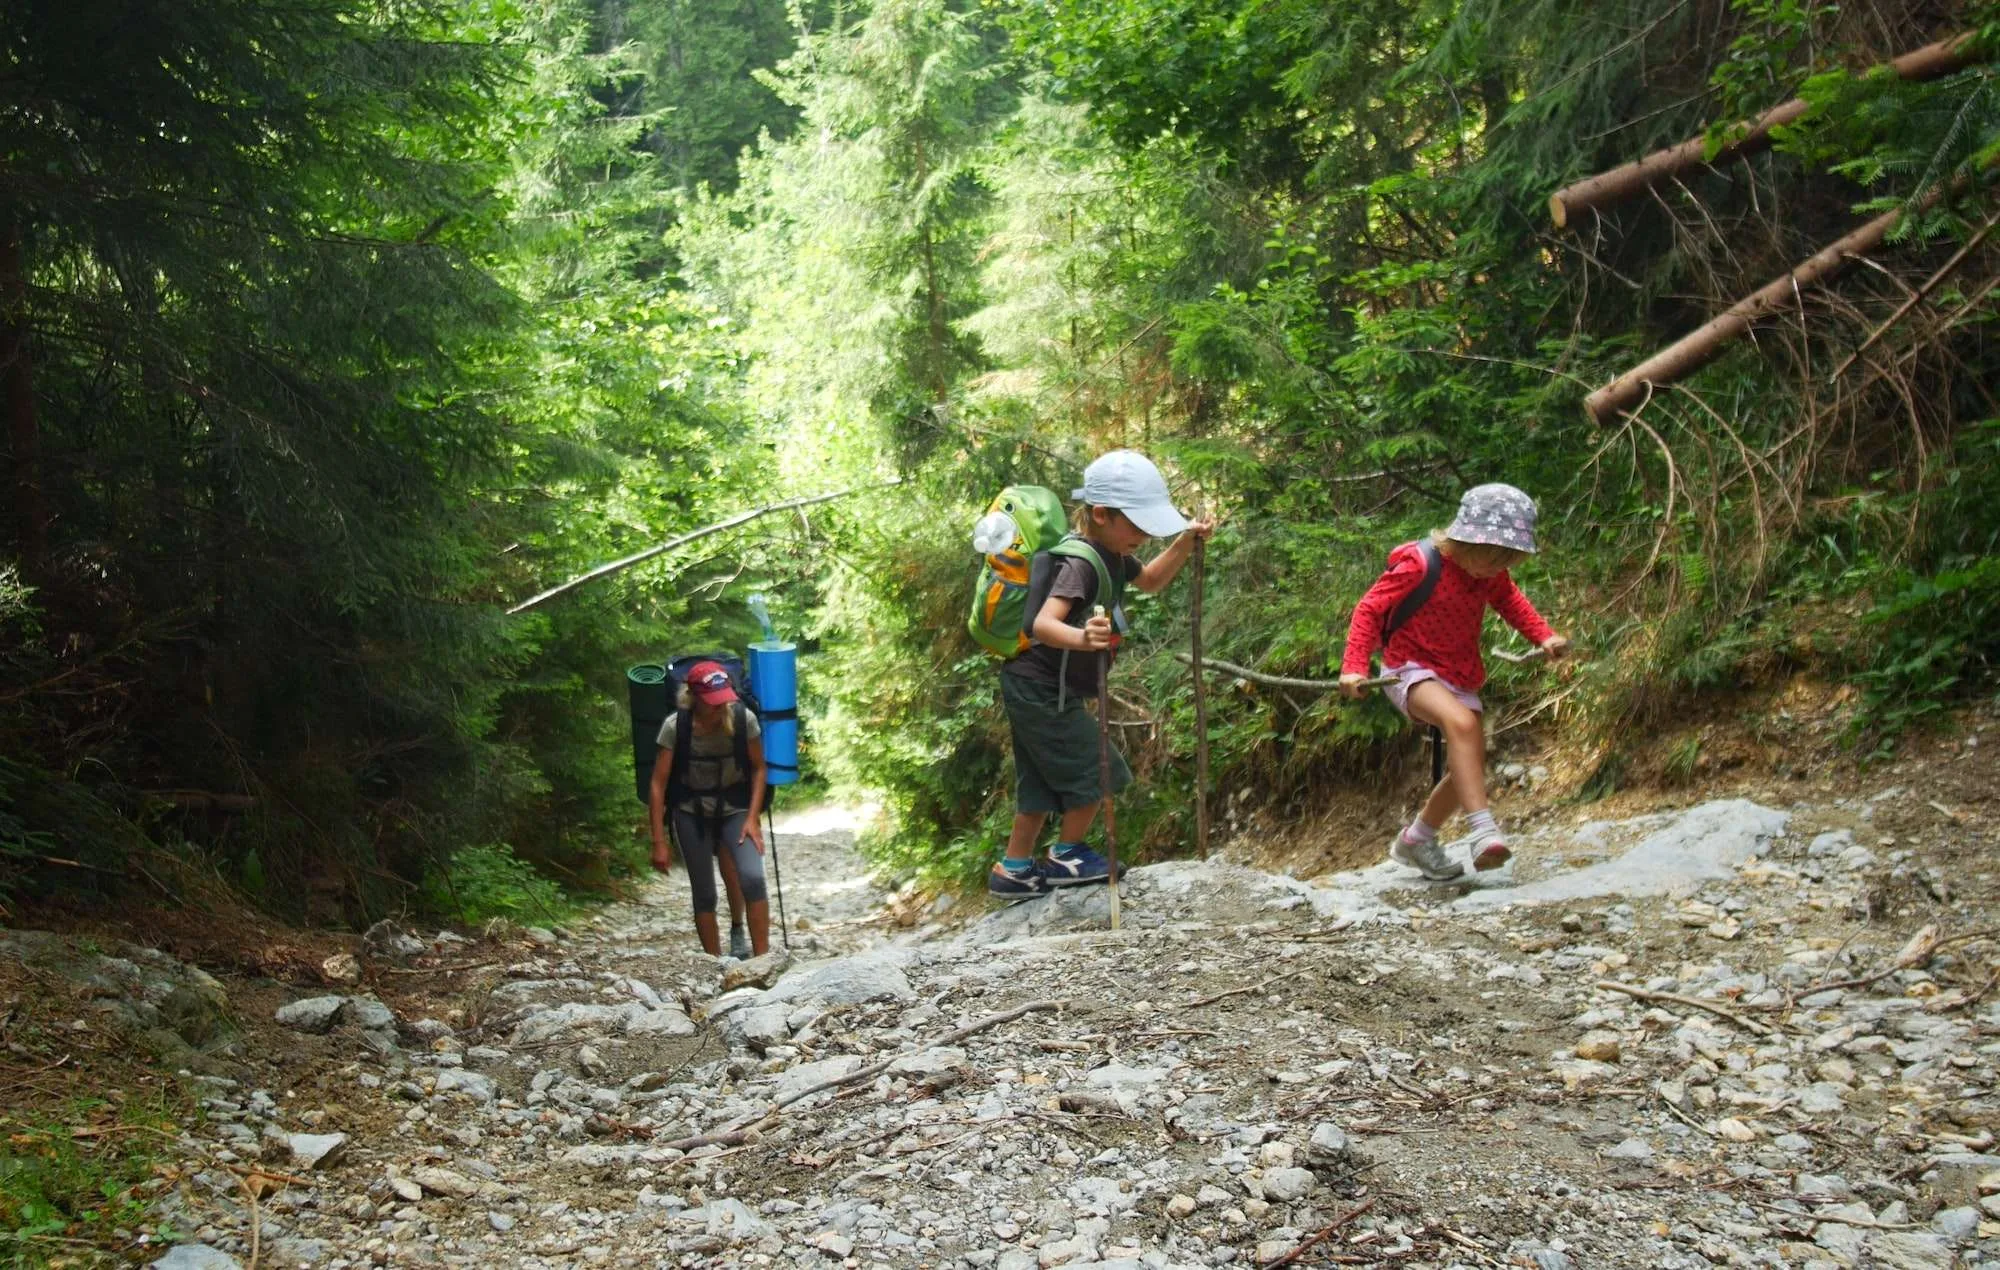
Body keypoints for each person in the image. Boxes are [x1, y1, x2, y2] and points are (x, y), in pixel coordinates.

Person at [990, 451, 1216, 899]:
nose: (1145, 535)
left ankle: (1013, 869)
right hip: (1040, 687)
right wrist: (1083, 637)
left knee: (1038, 779)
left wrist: (1185, 542)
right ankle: (1067, 853)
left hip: (1035, 686)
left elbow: (1150, 580)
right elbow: (1043, 625)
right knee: (1102, 767)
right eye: (1136, 525)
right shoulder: (1080, 563)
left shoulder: (1112, 554)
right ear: (1100, 514)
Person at [1338, 484, 1569, 880]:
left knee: (1469, 766)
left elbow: (1510, 601)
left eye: (1507, 561)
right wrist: (1354, 665)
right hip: (1407, 669)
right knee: (1461, 725)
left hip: (1457, 673)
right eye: (1492, 558)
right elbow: (1369, 609)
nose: (1497, 569)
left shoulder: (1490, 576)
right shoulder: (1419, 564)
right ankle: (1483, 831)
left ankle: (1416, 839)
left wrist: (1543, 636)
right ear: (1465, 539)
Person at [647, 660, 772, 957]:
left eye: (722, 700)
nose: (719, 707)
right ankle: (716, 967)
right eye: (712, 702)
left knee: (752, 877)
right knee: (704, 894)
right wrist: (659, 842)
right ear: (693, 697)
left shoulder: (744, 719)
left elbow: (758, 769)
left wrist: (753, 818)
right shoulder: (675, 727)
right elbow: (657, 785)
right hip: (690, 812)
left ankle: (763, 960)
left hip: (736, 808)